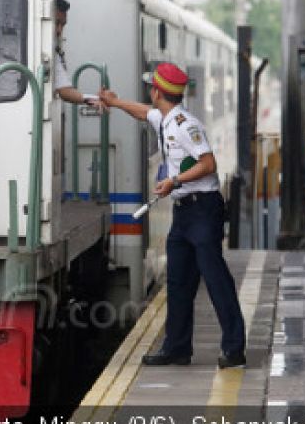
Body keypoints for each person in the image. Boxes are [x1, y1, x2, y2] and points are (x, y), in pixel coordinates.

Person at [100, 63, 246, 368]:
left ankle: (234, 349)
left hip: (203, 209)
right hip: (183, 213)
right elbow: (142, 112)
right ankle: (177, 347)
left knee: (215, 277)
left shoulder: (183, 124)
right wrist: (114, 102)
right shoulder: (164, 118)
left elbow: (209, 163)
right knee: (178, 282)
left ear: (156, 91)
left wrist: (174, 181)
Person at [51, 0, 105, 111]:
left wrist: (92, 98)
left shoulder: (52, 52)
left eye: (63, 25)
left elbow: (64, 89)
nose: (60, 30)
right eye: (57, 23)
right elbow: (64, 91)